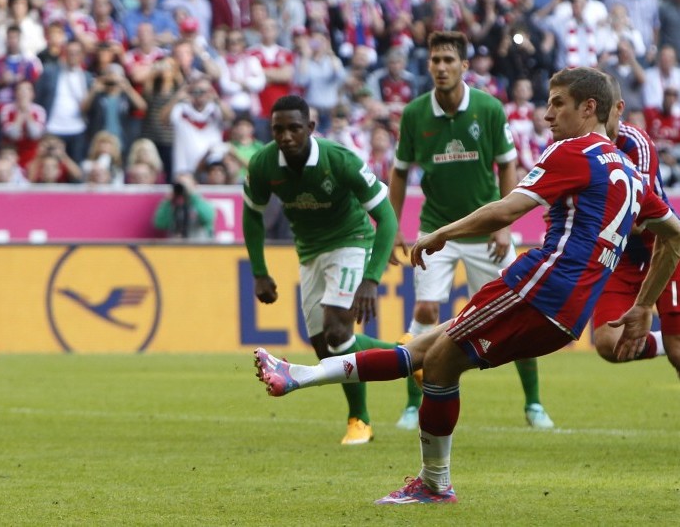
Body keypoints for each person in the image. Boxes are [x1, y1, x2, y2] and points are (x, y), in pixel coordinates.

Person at [255, 66, 680, 503]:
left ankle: (434, 483)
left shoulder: (573, 152)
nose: (547, 114)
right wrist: (644, 305)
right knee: (423, 350)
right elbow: (675, 237)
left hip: (538, 288)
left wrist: (442, 232)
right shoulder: (628, 172)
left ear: (589, 108)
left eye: (558, 103)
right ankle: (299, 376)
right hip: (566, 308)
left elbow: (505, 211)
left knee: (437, 364)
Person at [388, 31, 554, 431]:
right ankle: (413, 405)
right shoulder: (413, 114)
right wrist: (394, 228)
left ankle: (534, 404)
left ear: (464, 66)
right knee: (425, 311)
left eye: (449, 60)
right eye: (435, 61)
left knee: (519, 314)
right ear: (428, 65)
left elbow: (507, 165)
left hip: (486, 234)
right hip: (436, 232)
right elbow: (398, 173)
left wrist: (504, 225)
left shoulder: (488, 108)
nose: (441, 67)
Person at [243, 94, 402, 445]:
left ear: (310, 128)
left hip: (351, 240)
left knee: (336, 330)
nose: (285, 136)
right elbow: (252, 215)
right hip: (310, 252)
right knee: (324, 348)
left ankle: (359, 419)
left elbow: (385, 214)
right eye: (278, 129)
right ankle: (409, 355)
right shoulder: (263, 164)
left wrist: (372, 278)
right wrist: (259, 271)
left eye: (294, 128)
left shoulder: (339, 160)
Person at [593, 75, 680, 375]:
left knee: (678, 353)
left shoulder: (636, 144)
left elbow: (636, 219)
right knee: (608, 343)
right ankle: (661, 342)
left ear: (618, 109)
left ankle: (672, 344)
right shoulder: (576, 147)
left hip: (661, 247)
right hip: (620, 259)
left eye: (605, 113)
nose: (598, 122)